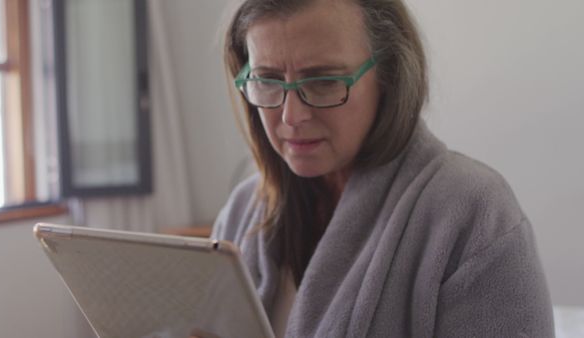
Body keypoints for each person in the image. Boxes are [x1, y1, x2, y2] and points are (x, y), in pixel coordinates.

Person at [212, 0, 555, 337]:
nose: (291, 117)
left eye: (324, 81)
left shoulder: (475, 214)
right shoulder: (242, 212)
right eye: (268, 80)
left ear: (389, 76)